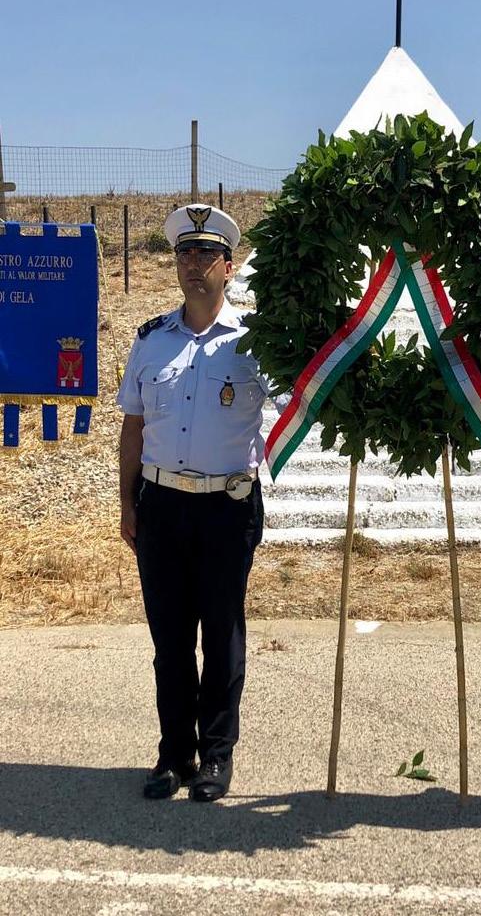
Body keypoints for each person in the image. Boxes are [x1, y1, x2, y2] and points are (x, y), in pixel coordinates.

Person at [118, 203, 270, 802]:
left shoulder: (255, 341)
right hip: (161, 506)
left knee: (222, 636)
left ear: (229, 267)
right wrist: (128, 504)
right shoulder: (152, 341)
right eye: (185, 252)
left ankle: (216, 756)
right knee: (171, 640)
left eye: (207, 253)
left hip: (226, 508)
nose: (194, 263)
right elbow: (133, 426)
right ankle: (174, 754)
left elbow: (294, 405)